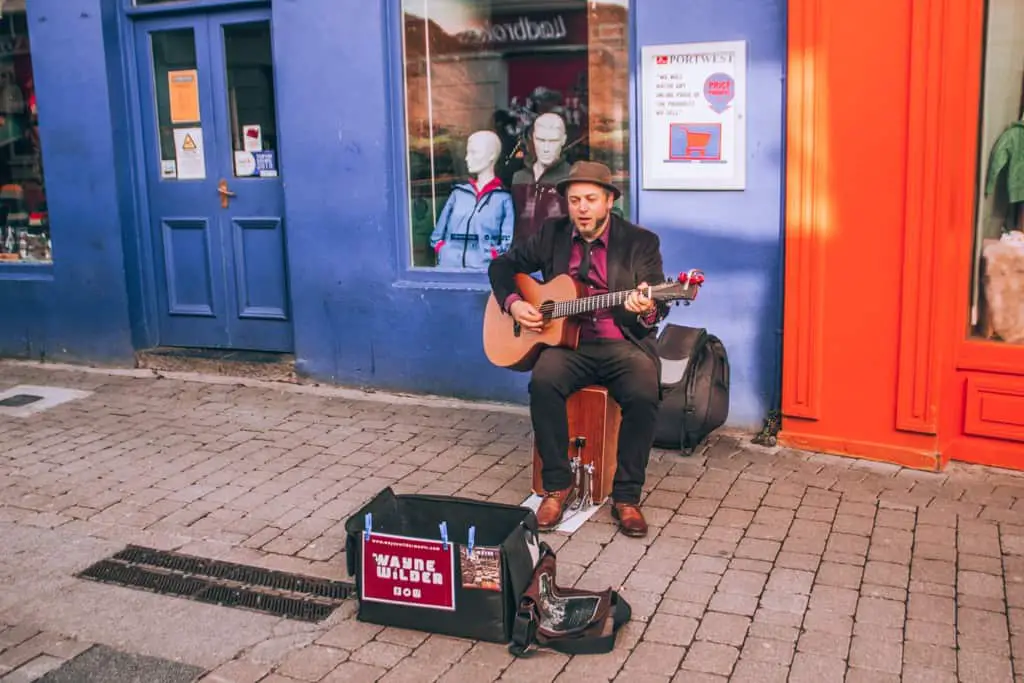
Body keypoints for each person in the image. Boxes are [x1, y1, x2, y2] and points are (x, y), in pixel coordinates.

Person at [488, 161, 669, 537]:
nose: (582, 208)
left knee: (643, 391)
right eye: (574, 201)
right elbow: (503, 267)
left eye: (590, 199)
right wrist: (515, 304)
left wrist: (648, 306)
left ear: (609, 201)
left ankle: (626, 496)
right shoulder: (552, 234)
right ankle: (556, 487)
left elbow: (658, 303)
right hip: (569, 346)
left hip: (621, 343)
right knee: (543, 382)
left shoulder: (640, 242)